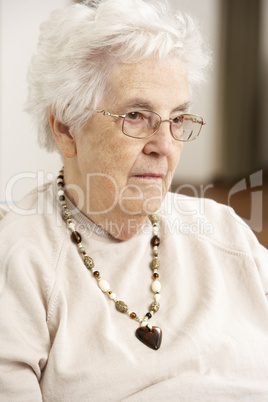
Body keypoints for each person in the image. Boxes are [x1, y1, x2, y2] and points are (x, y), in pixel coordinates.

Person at [0, 0, 268, 400]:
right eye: (137, 116)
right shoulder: (21, 260)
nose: (165, 146)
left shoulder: (224, 231)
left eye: (177, 119)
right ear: (66, 128)